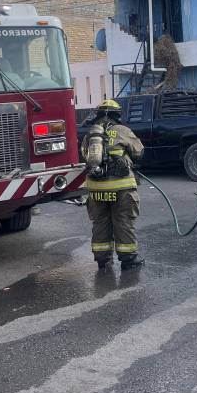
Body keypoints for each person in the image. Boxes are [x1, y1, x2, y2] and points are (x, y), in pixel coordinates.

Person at [80, 99, 145, 270]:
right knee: (123, 221)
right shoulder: (123, 130)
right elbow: (139, 152)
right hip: (121, 187)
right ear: (117, 115)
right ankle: (129, 259)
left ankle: (103, 259)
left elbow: (84, 156)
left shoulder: (90, 135)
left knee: (100, 222)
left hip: (96, 189)